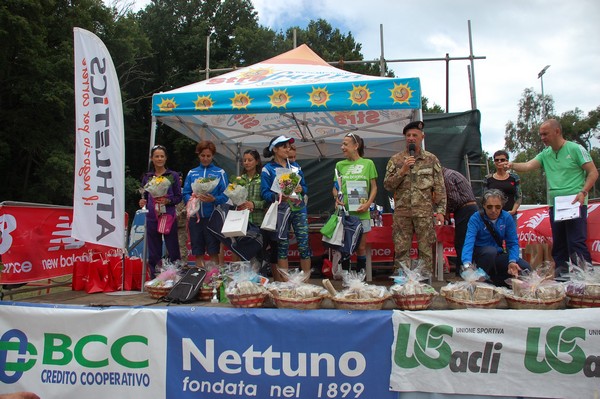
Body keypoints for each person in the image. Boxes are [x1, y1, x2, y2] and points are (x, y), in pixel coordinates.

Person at [508, 119, 598, 276]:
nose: (542, 137)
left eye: (545, 134)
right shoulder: (546, 154)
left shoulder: (575, 149)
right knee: (560, 244)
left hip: (575, 202)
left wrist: (583, 192)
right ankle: (562, 277)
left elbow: (593, 172)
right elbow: (529, 165)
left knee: (576, 241)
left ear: (557, 131)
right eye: (540, 134)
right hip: (555, 205)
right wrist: (512, 165)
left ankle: (585, 278)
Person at [383, 121, 446, 274]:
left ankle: (424, 286)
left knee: (425, 251)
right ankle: (402, 285)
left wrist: (441, 211)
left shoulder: (431, 160)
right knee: (401, 251)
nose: (411, 138)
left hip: (424, 214)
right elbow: (387, 185)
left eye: (414, 135)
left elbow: (439, 187)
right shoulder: (396, 160)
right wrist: (402, 170)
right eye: (408, 135)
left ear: (422, 137)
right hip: (402, 215)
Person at [261, 135, 311, 281]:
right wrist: (279, 196)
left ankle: (306, 283)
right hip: (281, 211)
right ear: (275, 149)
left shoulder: (295, 167)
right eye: (284, 146)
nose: (287, 148)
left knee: (304, 245)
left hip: (299, 209)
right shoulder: (268, 169)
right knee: (282, 246)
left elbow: (306, 188)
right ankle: (286, 284)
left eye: (288, 146)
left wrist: (302, 189)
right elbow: (264, 193)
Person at [462, 189, 530, 286]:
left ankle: (496, 280)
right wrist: (467, 265)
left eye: (498, 207)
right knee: (490, 252)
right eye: (489, 207)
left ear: (502, 206)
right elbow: (469, 242)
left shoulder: (507, 217)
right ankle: (478, 280)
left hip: (497, 254)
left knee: (525, 268)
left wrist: (512, 261)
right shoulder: (475, 218)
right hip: (480, 255)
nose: (494, 211)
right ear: (484, 205)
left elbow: (513, 243)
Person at [332, 132, 378, 271]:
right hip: (344, 214)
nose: (342, 147)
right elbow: (335, 188)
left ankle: (360, 280)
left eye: (345, 144)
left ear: (356, 146)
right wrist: (337, 198)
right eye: (342, 144)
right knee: (346, 247)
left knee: (361, 247)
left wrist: (368, 203)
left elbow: (374, 187)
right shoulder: (339, 165)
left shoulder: (368, 163)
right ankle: (347, 280)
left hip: (362, 212)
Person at [182, 140, 228, 266]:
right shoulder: (192, 173)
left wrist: (214, 199)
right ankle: (200, 280)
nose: (205, 158)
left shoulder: (220, 172)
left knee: (214, 251)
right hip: (195, 218)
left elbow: (226, 194)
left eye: (208, 156)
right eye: (203, 155)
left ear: (213, 156)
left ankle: (213, 280)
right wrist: (192, 200)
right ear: (198, 155)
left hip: (212, 217)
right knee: (198, 251)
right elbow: (185, 192)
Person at [139, 145, 182, 277]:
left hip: (168, 216)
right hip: (152, 216)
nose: (159, 159)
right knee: (154, 250)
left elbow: (178, 197)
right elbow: (144, 197)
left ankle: (176, 275)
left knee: (172, 248)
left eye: (162, 156)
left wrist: (168, 201)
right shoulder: (147, 177)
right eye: (156, 156)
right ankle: (155, 277)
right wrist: (142, 202)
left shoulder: (173, 175)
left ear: (166, 158)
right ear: (152, 158)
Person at [442, 167, 479, 276]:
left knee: (461, 242)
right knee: (465, 240)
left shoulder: (447, 177)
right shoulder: (453, 173)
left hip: (465, 210)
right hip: (469, 209)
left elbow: (454, 199)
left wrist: (447, 211)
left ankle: (462, 273)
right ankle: (465, 271)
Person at [485, 150, 522, 220]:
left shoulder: (514, 178)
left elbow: (519, 197)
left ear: (507, 161)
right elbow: (485, 198)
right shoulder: (488, 178)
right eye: (496, 160)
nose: (499, 162)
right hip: (492, 216)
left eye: (502, 160)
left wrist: (513, 211)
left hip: (510, 216)